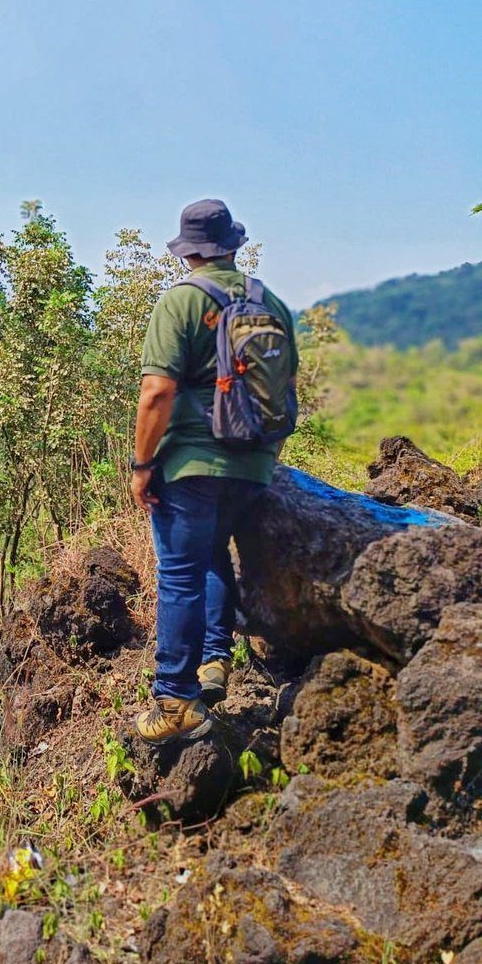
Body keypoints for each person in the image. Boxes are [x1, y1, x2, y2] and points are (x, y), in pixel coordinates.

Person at [130, 199, 298, 744]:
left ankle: (176, 703)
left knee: (178, 572)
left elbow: (157, 391)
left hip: (193, 463)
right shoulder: (269, 302)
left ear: (189, 253)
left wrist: (141, 464)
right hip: (254, 464)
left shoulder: (180, 301)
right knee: (212, 555)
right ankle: (213, 662)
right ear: (231, 246)